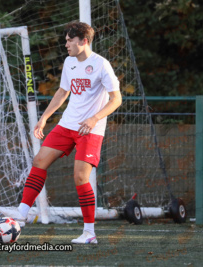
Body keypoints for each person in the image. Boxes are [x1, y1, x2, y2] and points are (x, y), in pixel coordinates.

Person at [11, 21, 121, 244]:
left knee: (80, 177)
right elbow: (63, 92)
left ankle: (89, 233)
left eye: (70, 40)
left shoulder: (101, 64)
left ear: (84, 41)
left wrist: (93, 119)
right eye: (66, 40)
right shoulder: (70, 62)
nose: (66, 44)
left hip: (90, 130)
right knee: (39, 161)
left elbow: (116, 99)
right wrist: (44, 118)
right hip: (67, 125)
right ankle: (21, 215)